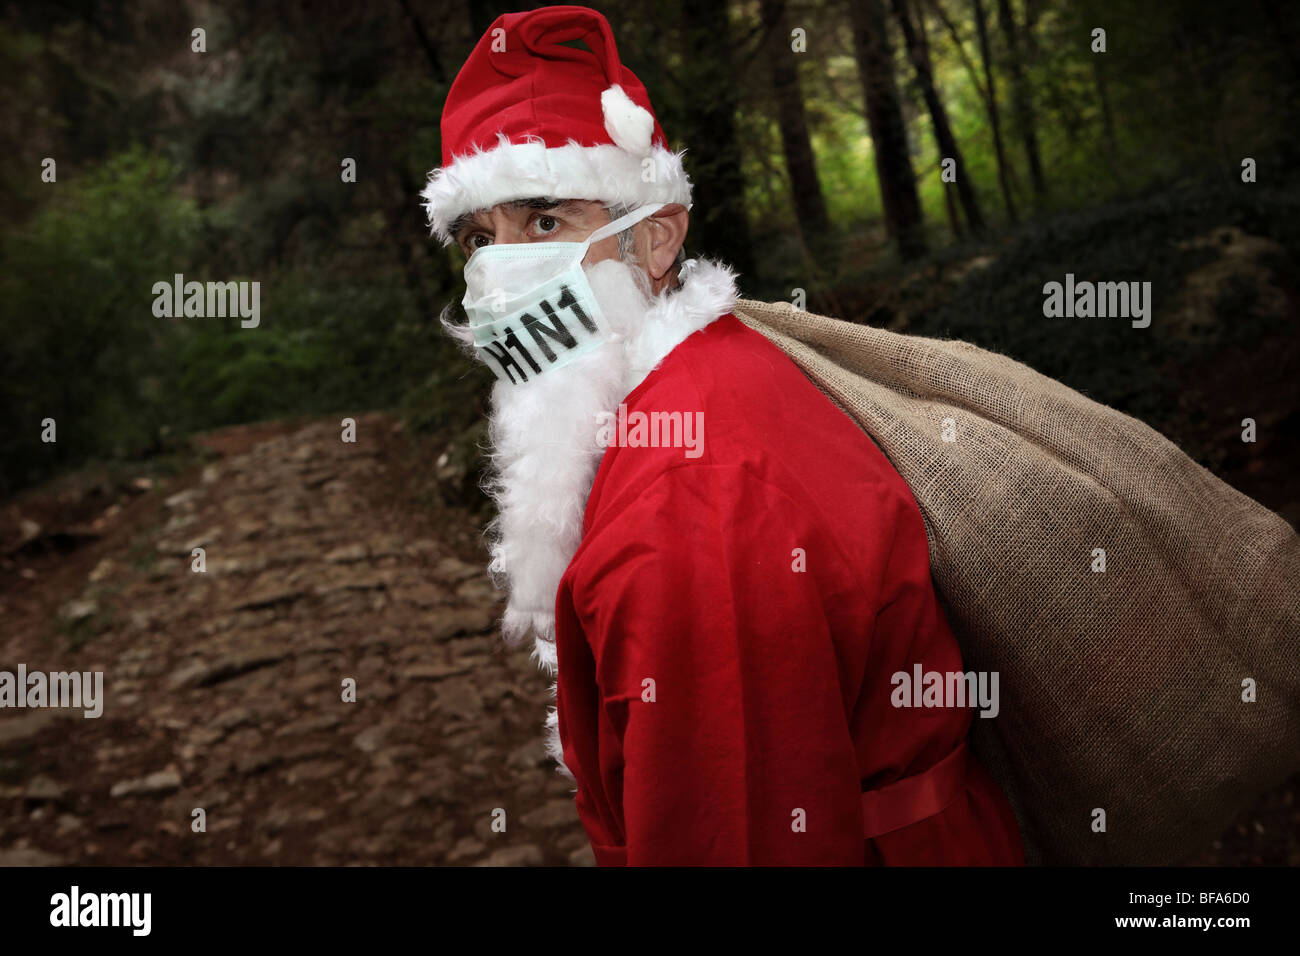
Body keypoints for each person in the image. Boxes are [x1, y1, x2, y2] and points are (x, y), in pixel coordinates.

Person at [422, 4, 1024, 866]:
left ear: (657, 236)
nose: (496, 272)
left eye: (545, 221)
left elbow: (734, 826)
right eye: (479, 239)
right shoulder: (706, 371)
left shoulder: (686, 504)